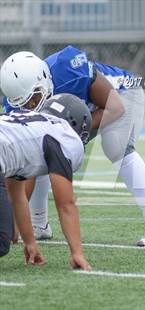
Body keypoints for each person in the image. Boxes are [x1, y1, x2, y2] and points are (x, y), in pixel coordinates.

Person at [0, 47, 145, 246]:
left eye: (35, 97)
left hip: (121, 94)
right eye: (24, 103)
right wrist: (13, 223)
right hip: (76, 113)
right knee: (39, 148)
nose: (31, 106)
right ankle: (39, 224)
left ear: (44, 78)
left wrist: (68, 135)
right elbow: (20, 173)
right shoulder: (15, 104)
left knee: (115, 146)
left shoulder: (67, 69)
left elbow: (115, 108)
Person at [1, 94, 92, 269]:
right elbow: (66, 203)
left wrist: (30, 242)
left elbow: (17, 195)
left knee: (10, 232)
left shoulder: (31, 126)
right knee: (1, 238)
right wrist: (77, 253)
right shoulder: (62, 134)